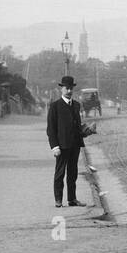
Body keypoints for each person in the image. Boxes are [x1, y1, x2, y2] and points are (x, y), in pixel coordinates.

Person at [46, 75, 86, 208]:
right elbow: (51, 129)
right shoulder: (55, 106)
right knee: (60, 173)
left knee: (72, 174)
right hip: (61, 146)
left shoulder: (76, 105)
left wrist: (85, 132)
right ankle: (58, 199)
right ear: (61, 89)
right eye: (66, 88)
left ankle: (72, 199)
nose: (69, 91)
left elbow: (77, 126)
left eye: (71, 89)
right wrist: (54, 146)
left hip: (75, 145)